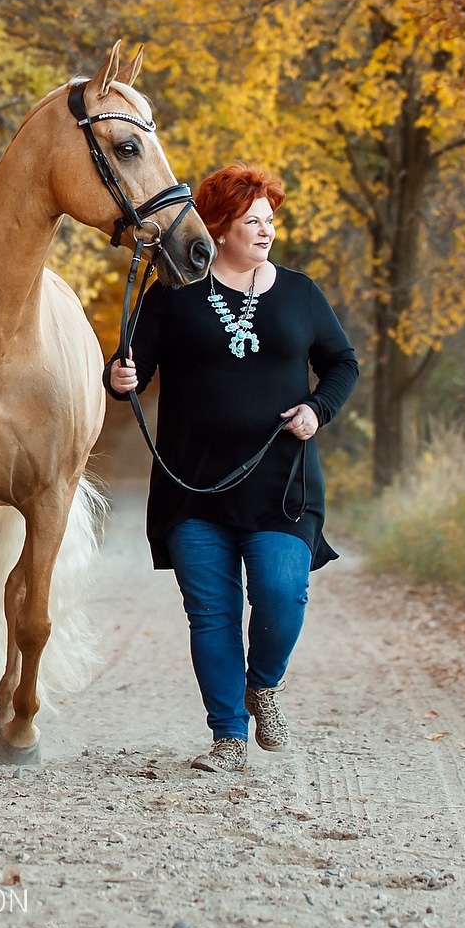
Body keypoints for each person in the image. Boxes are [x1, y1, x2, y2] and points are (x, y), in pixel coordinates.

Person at [106, 163, 359, 774]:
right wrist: (120, 377)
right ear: (219, 229)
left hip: (281, 484)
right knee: (212, 612)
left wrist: (318, 411)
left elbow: (342, 363)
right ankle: (227, 737)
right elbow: (129, 369)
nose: (267, 231)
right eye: (253, 221)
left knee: (280, 592)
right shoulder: (173, 294)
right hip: (191, 485)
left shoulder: (300, 293)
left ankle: (263, 685)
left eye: (270, 220)